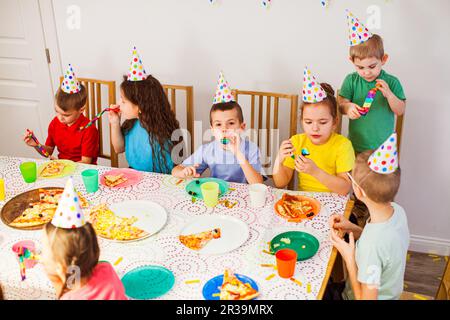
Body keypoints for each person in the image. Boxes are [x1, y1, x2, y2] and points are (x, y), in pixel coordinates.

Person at [273, 67, 355, 195]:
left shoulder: (343, 145)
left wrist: (315, 171)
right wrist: (279, 159)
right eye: (308, 122)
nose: (315, 128)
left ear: (334, 122)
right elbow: (280, 183)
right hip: (304, 204)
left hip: (334, 206)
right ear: (302, 121)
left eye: (322, 122)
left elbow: (344, 189)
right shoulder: (297, 142)